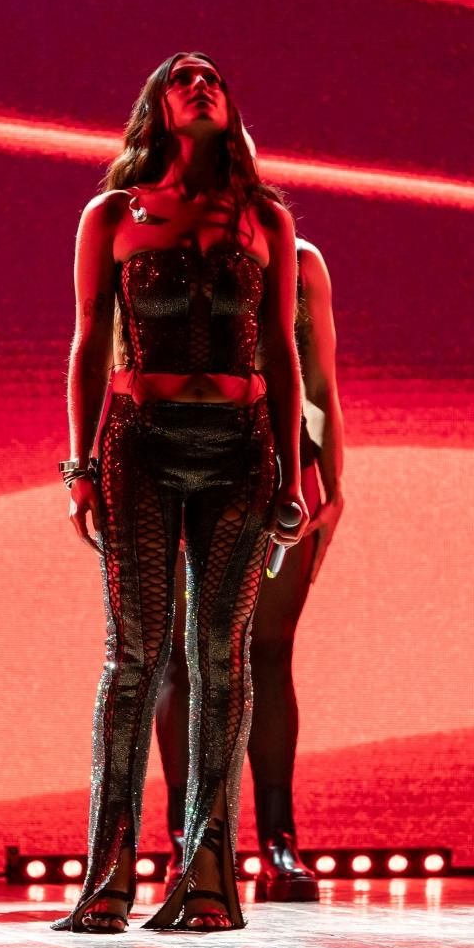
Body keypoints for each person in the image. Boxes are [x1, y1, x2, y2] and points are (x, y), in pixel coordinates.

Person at [57, 53, 307, 933]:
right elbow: (89, 343)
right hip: (140, 443)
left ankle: (208, 875)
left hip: (241, 446)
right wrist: (80, 467)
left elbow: (282, 349)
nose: (200, 86)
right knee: (135, 654)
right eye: (182, 79)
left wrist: (296, 471)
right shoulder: (113, 214)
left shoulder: (265, 217)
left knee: (222, 656)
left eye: (213, 79)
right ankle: (107, 876)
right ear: (157, 107)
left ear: (229, 106)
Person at [155, 236, 345, 902]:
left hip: (280, 464)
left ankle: (277, 839)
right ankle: (187, 840)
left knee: (268, 651)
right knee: (184, 656)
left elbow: (321, 382)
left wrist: (334, 484)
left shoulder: (300, 259)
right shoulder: (155, 245)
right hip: (180, 459)